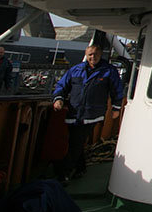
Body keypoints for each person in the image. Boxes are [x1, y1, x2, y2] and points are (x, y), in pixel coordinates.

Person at [52, 45, 123, 183]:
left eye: (96, 54)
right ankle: (80, 168)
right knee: (75, 140)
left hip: (92, 113)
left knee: (76, 141)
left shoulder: (108, 71)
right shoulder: (76, 70)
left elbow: (117, 90)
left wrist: (116, 108)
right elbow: (62, 85)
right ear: (86, 54)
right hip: (74, 112)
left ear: (100, 54)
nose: (93, 57)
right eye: (90, 54)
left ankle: (65, 174)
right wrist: (58, 99)